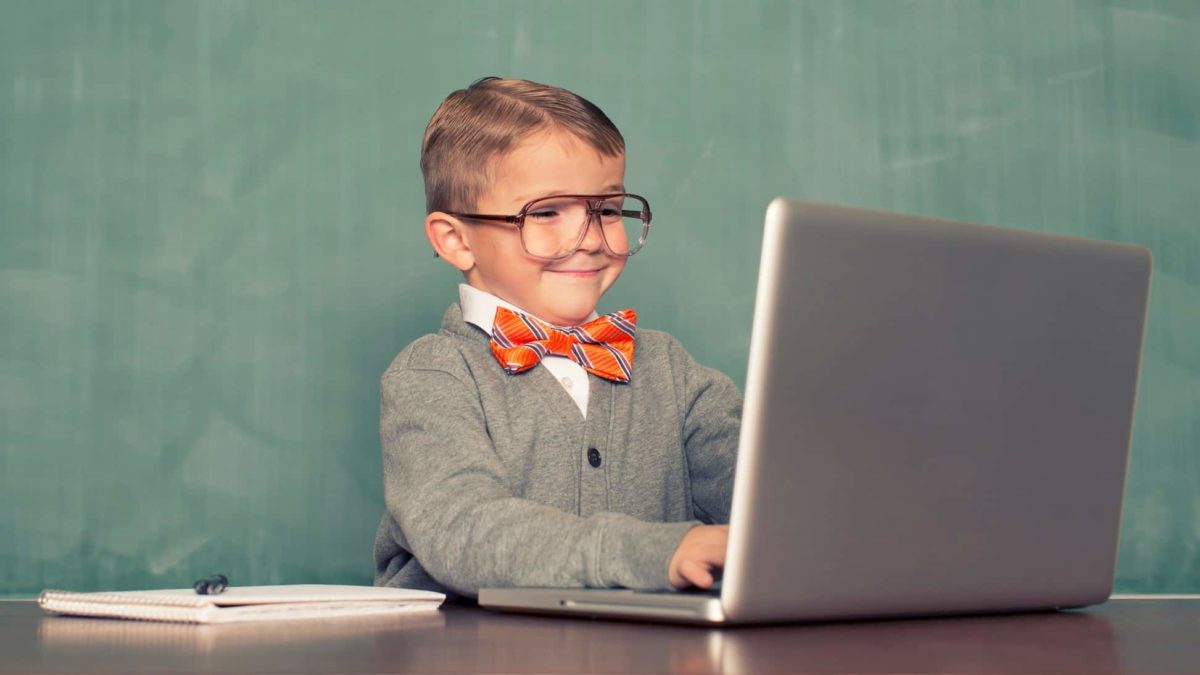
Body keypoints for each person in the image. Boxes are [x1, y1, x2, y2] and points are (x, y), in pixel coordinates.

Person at [373, 77, 740, 599]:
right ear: (455, 240)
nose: (591, 239)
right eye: (546, 213)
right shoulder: (434, 375)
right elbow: (464, 530)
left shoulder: (671, 371)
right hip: (470, 649)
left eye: (608, 210)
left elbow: (763, 507)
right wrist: (654, 553)